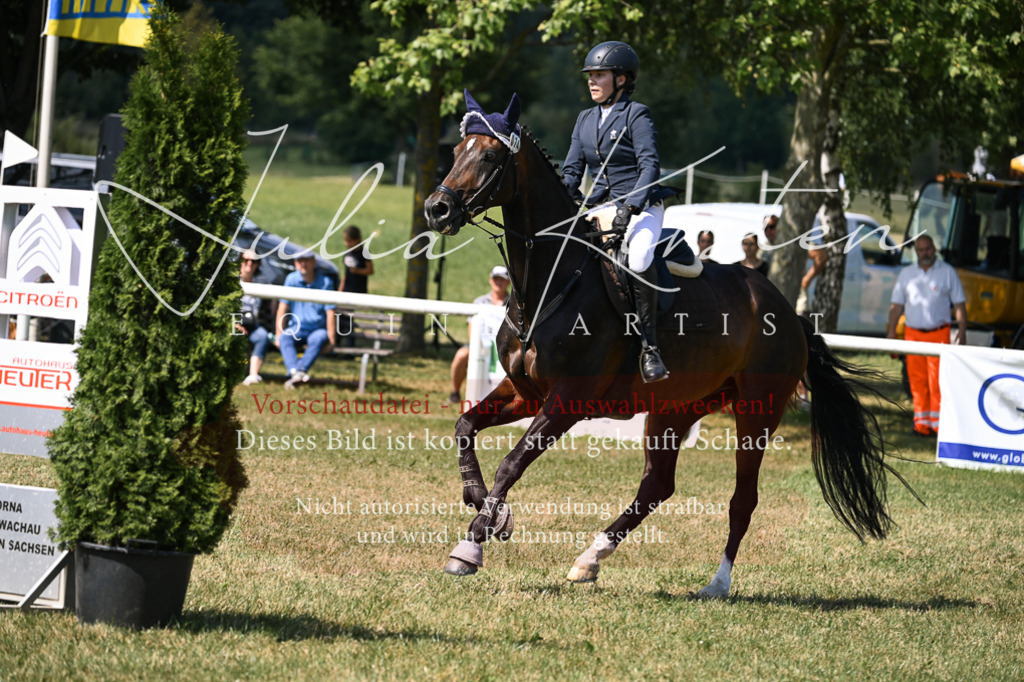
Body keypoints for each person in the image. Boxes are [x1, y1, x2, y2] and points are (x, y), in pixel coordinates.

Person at [560, 41, 674, 383]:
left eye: (599, 75)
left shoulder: (636, 114)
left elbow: (649, 165)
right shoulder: (584, 119)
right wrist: (562, 194)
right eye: (590, 75)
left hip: (641, 206)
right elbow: (572, 170)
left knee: (638, 258)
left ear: (621, 79)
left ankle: (650, 347)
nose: (592, 81)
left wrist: (631, 206)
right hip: (600, 207)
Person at [886, 234, 967, 436]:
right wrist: (891, 332)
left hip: (939, 334)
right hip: (912, 335)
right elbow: (896, 306)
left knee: (938, 381)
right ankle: (921, 425)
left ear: (934, 249)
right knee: (916, 380)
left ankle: (939, 426)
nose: (925, 253)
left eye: (928, 249)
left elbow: (959, 304)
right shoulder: (906, 274)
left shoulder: (947, 272)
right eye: (921, 250)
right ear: (916, 252)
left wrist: (962, 330)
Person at [446, 266, 510, 406]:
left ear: (509, 282)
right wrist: (477, 346)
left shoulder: (513, 303)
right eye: (496, 278)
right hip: (480, 342)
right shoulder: (479, 301)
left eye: (502, 279)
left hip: (505, 346)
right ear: (490, 280)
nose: (498, 282)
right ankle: (455, 393)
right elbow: (471, 325)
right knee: (461, 355)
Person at [276, 252, 337, 389]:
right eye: (300, 261)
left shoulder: (326, 282)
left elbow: (330, 312)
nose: (303, 264)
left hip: (317, 329)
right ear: (295, 264)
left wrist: (332, 341)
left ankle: (297, 372)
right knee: (284, 337)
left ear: (314, 262)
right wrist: (278, 333)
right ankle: (297, 373)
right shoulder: (291, 279)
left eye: (307, 260)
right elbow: (282, 307)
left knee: (319, 338)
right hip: (297, 327)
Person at [238, 250, 271, 386]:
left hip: (254, 325)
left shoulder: (261, 283)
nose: (250, 264)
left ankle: (253, 375)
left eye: (254, 261)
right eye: (246, 260)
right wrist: (234, 323)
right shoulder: (232, 281)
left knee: (263, 336)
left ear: (258, 264)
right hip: (234, 323)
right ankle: (236, 371)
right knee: (236, 334)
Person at [339, 225, 374, 294]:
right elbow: (346, 273)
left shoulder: (364, 252)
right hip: (346, 290)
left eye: (350, 241)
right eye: (346, 241)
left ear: (358, 239)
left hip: (359, 290)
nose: (347, 243)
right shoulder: (348, 253)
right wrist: (340, 289)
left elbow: (370, 270)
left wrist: (358, 271)